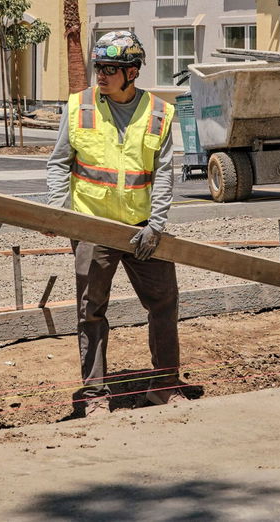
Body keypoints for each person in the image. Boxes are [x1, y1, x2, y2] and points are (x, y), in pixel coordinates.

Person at [46, 30, 184, 417]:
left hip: (143, 228)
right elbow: (59, 162)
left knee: (164, 305)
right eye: (98, 68)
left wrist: (155, 225)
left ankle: (165, 385)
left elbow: (164, 173)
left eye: (109, 69)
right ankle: (94, 396)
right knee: (91, 311)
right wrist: (61, 212)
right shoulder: (79, 107)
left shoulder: (160, 113)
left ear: (132, 72)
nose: (100, 76)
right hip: (92, 226)